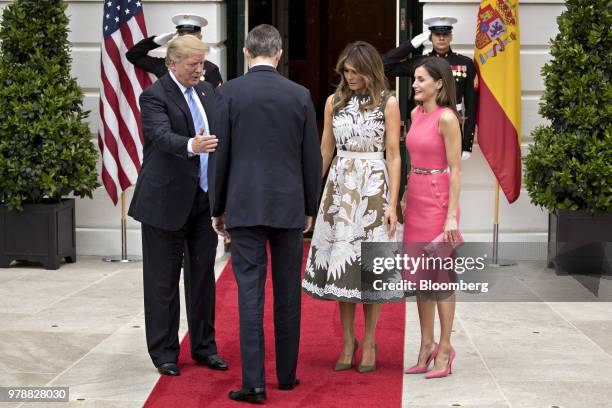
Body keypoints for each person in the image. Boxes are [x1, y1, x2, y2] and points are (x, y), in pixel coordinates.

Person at [209, 24, 322, 403]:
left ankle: (254, 384)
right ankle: (287, 376)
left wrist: (217, 206)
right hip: (288, 205)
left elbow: (219, 155)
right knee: (288, 294)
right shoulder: (300, 95)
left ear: (245, 53)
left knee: (250, 295)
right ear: (278, 54)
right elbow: (311, 158)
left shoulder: (229, 93)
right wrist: (310, 206)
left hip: (243, 205)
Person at [128, 35, 227, 376]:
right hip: (164, 201)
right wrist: (191, 144)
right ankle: (165, 352)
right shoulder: (154, 96)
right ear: (172, 64)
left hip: (202, 200)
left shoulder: (207, 91)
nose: (201, 70)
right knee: (162, 282)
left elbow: (223, 132)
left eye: (201, 64)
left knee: (202, 279)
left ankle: (204, 347)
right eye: (193, 65)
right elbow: (159, 136)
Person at [301, 41, 402, 373]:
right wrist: (309, 194)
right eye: (346, 71)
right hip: (340, 187)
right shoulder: (334, 102)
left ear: (370, 70)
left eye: (356, 71)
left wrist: (393, 203)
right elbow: (325, 149)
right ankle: (348, 341)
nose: (350, 76)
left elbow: (393, 154)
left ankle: (370, 340)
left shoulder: (388, 102)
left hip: (373, 185)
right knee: (342, 268)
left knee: (370, 269)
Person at [402, 57, 461, 379]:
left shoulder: (447, 118)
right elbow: (415, 161)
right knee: (420, 278)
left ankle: (446, 347)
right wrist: (404, 196)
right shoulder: (414, 114)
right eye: (414, 79)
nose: (415, 84)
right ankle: (426, 345)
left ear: (439, 83)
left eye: (421, 79)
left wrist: (451, 216)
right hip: (417, 198)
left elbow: (457, 169)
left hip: (439, 205)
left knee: (441, 279)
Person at [383, 16, 477, 158]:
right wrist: (412, 44)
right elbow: (385, 66)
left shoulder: (465, 63)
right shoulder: (420, 61)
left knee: (450, 172)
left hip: (452, 121)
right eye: (436, 34)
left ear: (451, 37)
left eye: (445, 34)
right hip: (425, 120)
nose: (441, 38)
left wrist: (467, 144)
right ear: (430, 37)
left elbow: (471, 105)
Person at [126, 14, 223, 88]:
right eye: (182, 34)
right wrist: (156, 41)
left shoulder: (210, 69)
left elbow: (217, 103)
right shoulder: (165, 65)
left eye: (191, 33)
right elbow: (133, 55)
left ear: (200, 37)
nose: (186, 38)